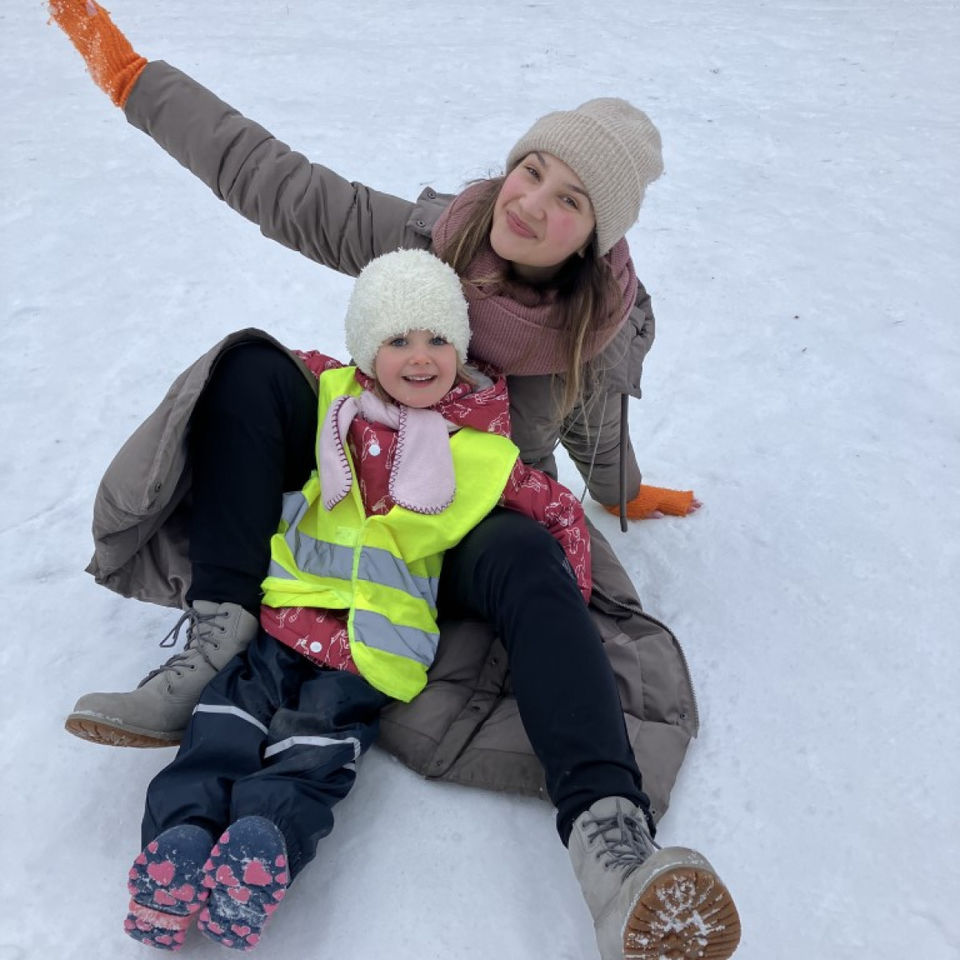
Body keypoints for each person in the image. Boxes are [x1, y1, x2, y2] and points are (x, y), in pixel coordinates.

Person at [49, 3, 740, 959]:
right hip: (353, 471)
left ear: (589, 241)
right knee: (252, 369)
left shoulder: (594, 328)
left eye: (571, 199)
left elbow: (594, 428)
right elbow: (270, 177)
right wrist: (134, 81)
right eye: (533, 169)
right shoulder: (427, 240)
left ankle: (611, 848)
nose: (533, 202)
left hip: (463, 519)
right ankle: (218, 637)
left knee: (535, 562)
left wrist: (622, 493)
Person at [125, 248, 593, 950]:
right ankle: (180, 841)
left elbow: (555, 509)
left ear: (460, 348)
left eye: (438, 338)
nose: (420, 356)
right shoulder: (334, 396)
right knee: (223, 719)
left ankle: (263, 847)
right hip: (286, 616)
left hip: (368, 646)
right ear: (366, 347)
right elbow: (266, 375)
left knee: (317, 747)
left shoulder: (479, 447)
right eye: (397, 338)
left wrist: (570, 604)